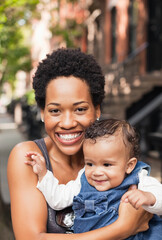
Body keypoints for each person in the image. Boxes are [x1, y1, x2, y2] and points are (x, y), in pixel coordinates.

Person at [8, 48, 152, 240]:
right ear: (42, 113)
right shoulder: (28, 158)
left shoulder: (116, 152)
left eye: (80, 109)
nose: (67, 123)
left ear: (97, 109)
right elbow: (30, 238)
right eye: (55, 111)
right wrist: (123, 228)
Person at [25, 119, 162, 238]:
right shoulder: (83, 179)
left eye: (107, 164)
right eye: (90, 164)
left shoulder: (139, 178)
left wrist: (149, 197)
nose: (96, 172)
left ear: (129, 165)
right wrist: (44, 174)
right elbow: (58, 199)